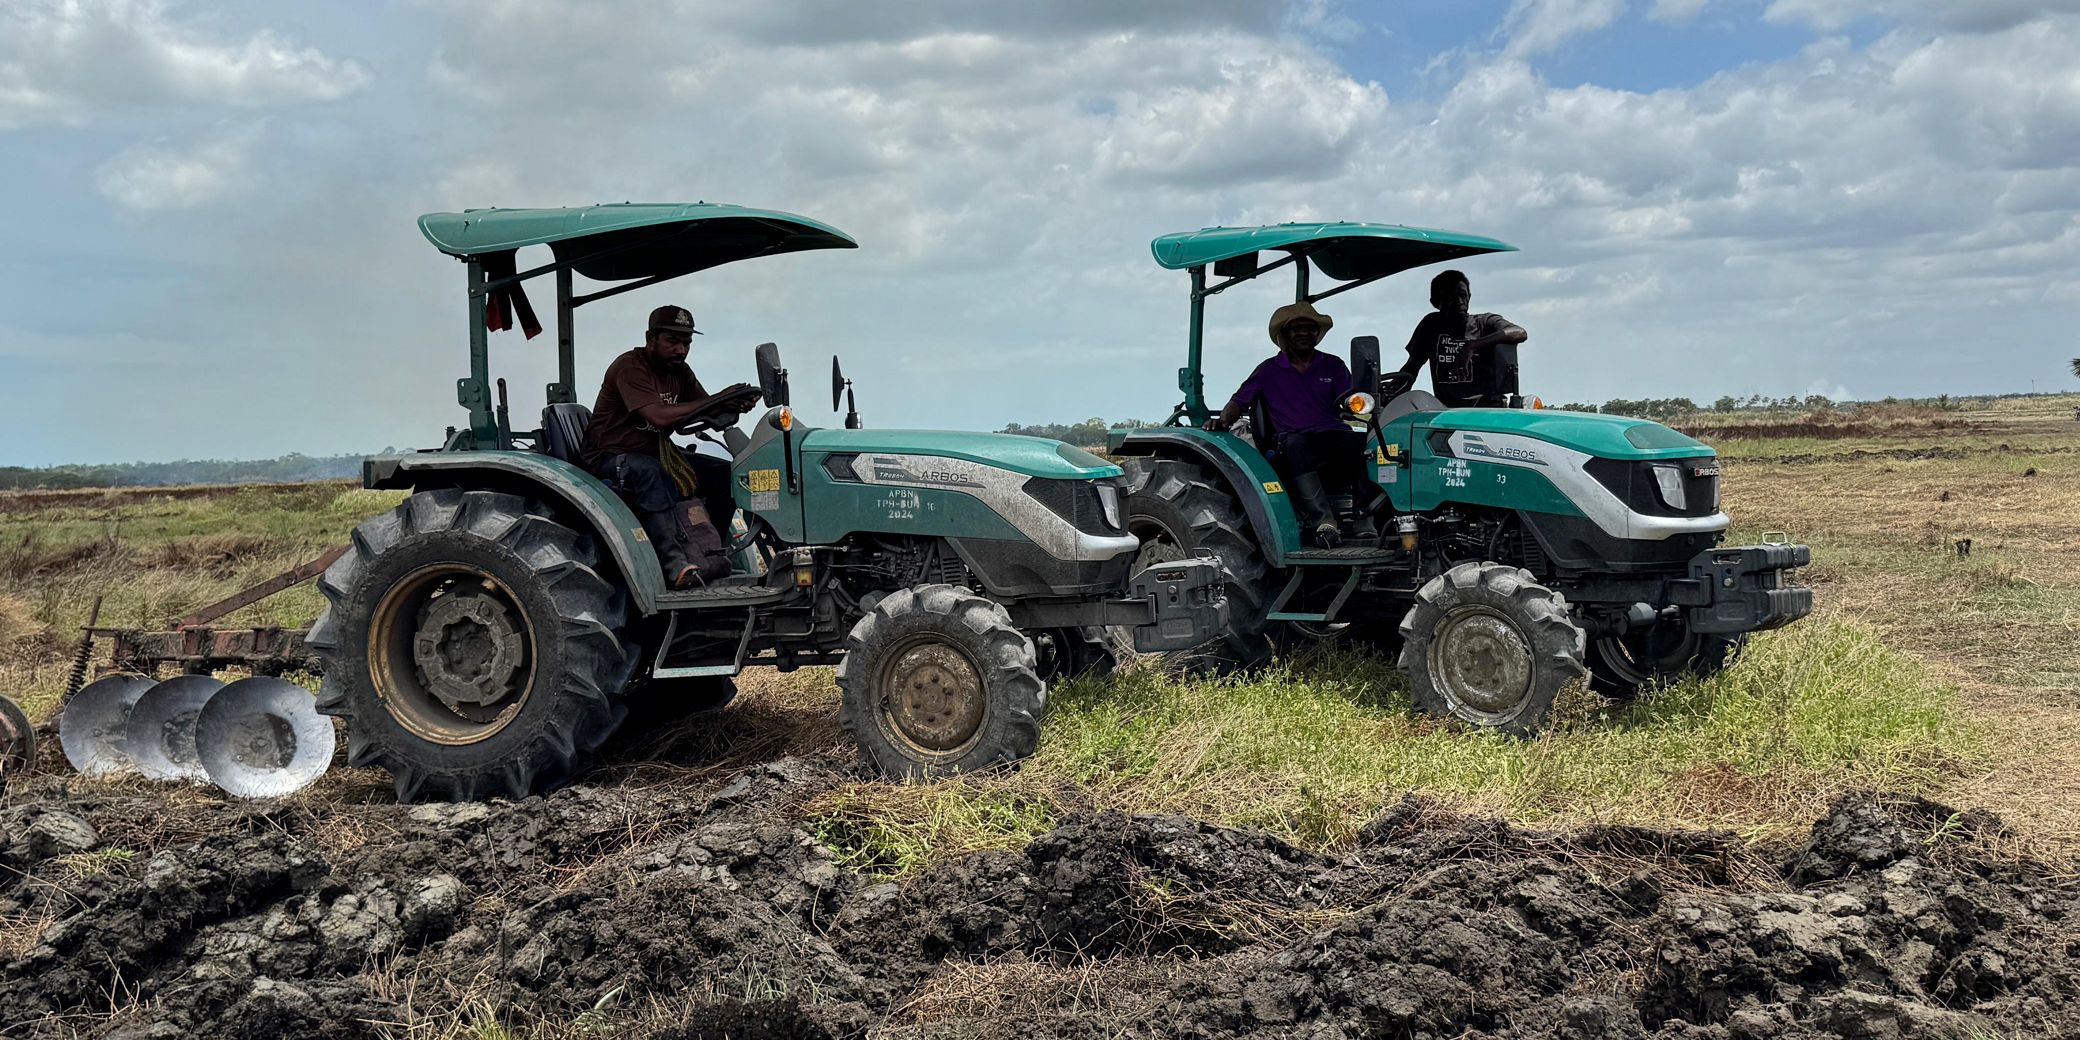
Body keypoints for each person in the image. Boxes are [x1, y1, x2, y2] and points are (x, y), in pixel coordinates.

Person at [580, 304, 759, 587]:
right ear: (651, 339)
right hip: (610, 456)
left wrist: (733, 403)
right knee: (650, 473)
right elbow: (659, 416)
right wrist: (719, 398)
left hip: (652, 454)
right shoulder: (630, 367)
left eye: (686, 342)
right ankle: (675, 566)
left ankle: (711, 552)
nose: (681, 349)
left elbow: (705, 408)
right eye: (673, 341)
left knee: (725, 475)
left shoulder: (680, 372)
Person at [1207, 301, 1378, 546]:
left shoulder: (1333, 364)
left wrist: (1359, 400)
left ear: (1317, 334)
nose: (1304, 334)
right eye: (1297, 329)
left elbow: (1349, 398)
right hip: (1292, 439)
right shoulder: (1268, 370)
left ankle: (1364, 517)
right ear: (1284, 335)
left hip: (1332, 434)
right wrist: (1222, 421)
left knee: (1368, 443)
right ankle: (1324, 523)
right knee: (1298, 445)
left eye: (1310, 329)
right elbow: (1238, 401)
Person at [1387, 270, 1528, 407]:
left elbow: (1519, 332)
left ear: (1469, 296)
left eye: (1463, 296)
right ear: (1436, 302)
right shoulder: (1431, 325)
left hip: (1487, 408)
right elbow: (1412, 367)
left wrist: (1472, 345)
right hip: (1448, 412)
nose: (1460, 302)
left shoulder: (1484, 323)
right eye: (1451, 298)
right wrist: (1392, 394)